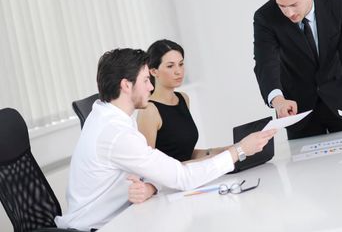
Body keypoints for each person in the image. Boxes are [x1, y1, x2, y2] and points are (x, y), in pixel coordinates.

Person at [55, 48, 276, 231]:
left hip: (120, 216)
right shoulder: (116, 133)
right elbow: (181, 178)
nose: (151, 87)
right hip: (100, 227)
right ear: (125, 85)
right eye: (145, 80)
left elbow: (147, 169)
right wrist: (239, 151)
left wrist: (151, 186)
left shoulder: (104, 111)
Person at [253, 0, 342, 140]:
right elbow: (265, 62)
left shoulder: (338, 1)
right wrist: (278, 101)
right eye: (282, 6)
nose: (289, 12)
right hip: (298, 111)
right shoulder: (265, 17)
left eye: (293, 4)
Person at [137, 39, 227, 161]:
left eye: (181, 64)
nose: (178, 71)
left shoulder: (183, 98)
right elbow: (149, 165)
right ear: (153, 71)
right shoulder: (149, 110)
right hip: (171, 178)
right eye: (170, 66)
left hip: (190, 175)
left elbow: (185, 154)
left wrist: (232, 149)